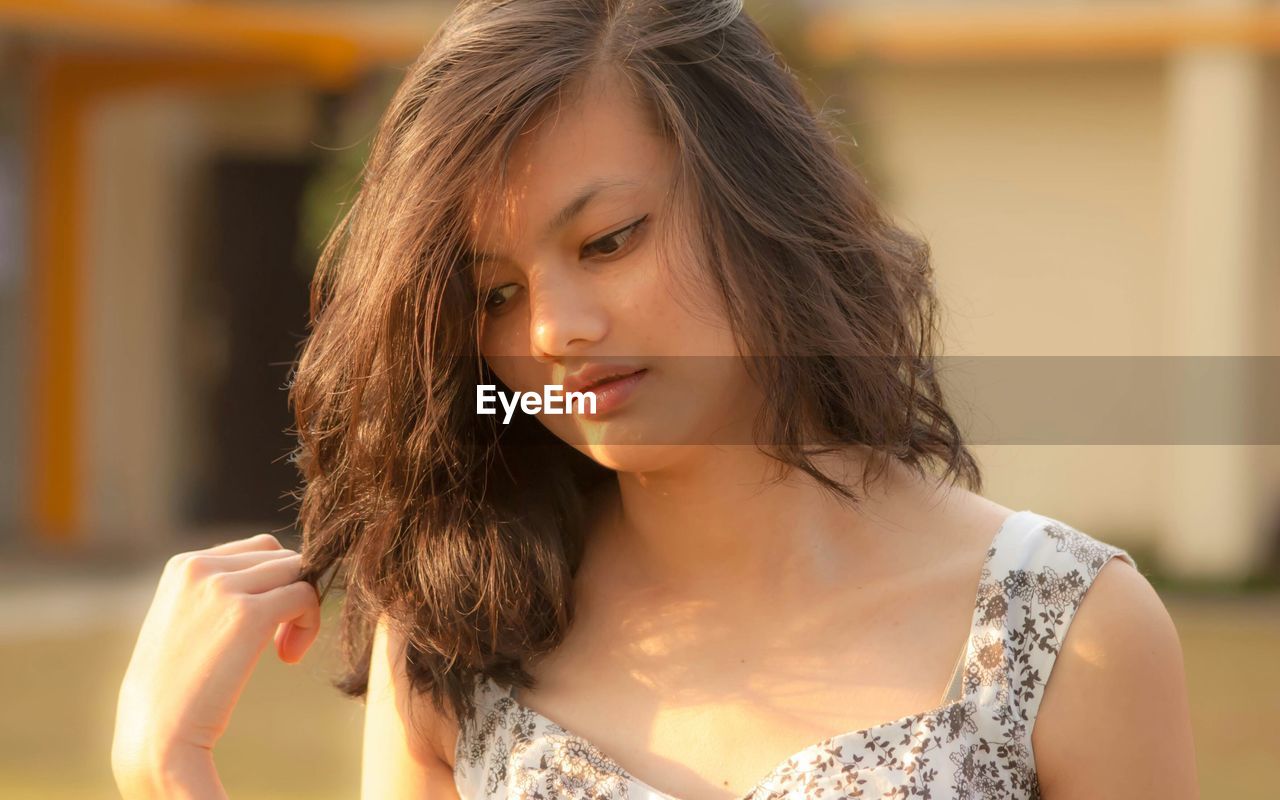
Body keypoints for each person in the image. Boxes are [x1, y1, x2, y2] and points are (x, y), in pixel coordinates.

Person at [111, 1, 1199, 798]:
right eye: (493, 293)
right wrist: (171, 767)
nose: (553, 329)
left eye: (607, 240)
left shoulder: (1066, 633)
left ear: (756, 201)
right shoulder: (455, 642)